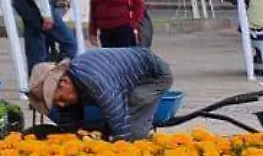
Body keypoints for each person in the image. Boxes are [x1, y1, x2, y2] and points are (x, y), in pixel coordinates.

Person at [27, 48, 173, 141]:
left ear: (64, 82)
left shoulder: (97, 83)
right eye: (55, 103)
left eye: (59, 99)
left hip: (151, 76)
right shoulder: (69, 84)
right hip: (118, 79)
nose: (61, 105)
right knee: (97, 128)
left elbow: (122, 131)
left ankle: (145, 130)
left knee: (133, 132)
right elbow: (69, 127)